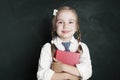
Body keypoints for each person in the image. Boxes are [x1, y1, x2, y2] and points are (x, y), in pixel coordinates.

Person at [37, 6, 92, 80]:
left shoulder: (82, 47)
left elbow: (87, 72)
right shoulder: (47, 48)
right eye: (60, 22)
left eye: (70, 22)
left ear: (76, 27)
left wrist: (63, 67)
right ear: (54, 27)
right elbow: (41, 76)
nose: (65, 26)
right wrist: (68, 76)